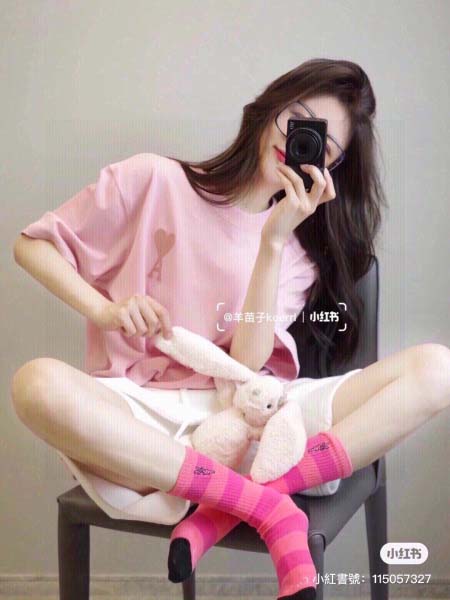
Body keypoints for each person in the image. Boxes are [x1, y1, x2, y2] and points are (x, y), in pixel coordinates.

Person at [10, 57, 450, 600]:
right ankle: (264, 504)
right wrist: (106, 311)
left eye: (322, 146)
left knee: (437, 368)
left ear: (330, 170)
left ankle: (258, 493)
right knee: (35, 385)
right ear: (270, 110)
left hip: (254, 416)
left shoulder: (296, 251)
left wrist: (272, 241)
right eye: (298, 120)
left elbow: (246, 361)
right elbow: (32, 246)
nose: (298, 143)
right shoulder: (154, 178)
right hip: (148, 427)